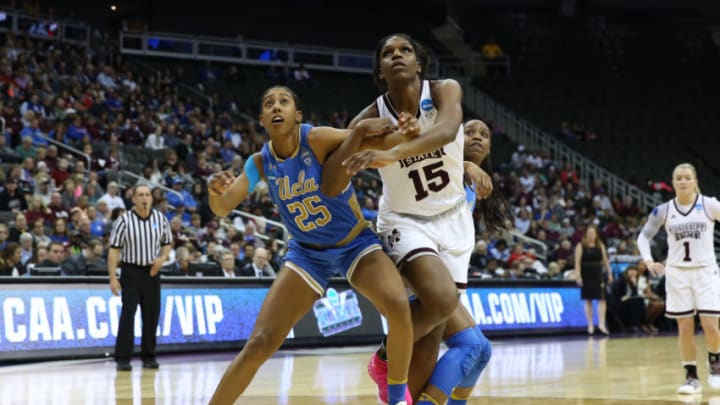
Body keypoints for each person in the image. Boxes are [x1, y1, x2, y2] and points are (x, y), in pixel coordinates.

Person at [206, 86, 417, 405]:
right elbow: (223, 208)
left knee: (399, 305)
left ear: (297, 115)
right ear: (262, 120)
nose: (276, 106)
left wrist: (408, 135)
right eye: (269, 104)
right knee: (261, 341)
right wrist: (214, 192)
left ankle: (398, 398)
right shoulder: (259, 163)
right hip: (306, 255)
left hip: (354, 244)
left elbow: (366, 140)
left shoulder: (316, 138)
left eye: (284, 101)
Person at [341, 33, 494, 403]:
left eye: (405, 50)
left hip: (454, 222)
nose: (397, 55)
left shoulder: (444, 90)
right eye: (388, 52)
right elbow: (338, 161)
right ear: (380, 68)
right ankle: (384, 358)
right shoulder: (370, 118)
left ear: (419, 62)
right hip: (404, 221)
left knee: (430, 335)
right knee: (441, 303)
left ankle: (407, 389)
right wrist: (364, 143)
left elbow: (445, 131)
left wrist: (396, 152)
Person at [637, 162, 720, 395]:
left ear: (695, 181)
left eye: (687, 177)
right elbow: (643, 238)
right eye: (679, 178)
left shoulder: (710, 205)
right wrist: (648, 260)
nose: (683, 181)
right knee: (685, 327)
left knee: (711, 327)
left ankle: (715, 363)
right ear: (673, 183)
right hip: (677, 274)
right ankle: (691, 377)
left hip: (705, 272)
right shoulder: (663, 210)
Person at [108, 184, 173, 371]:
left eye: (147, 195)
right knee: (128, 314)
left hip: (152, 272)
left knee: (151, 315)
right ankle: (123, 357)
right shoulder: (124, 221)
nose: (144, 198)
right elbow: (113, 251)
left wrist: (162, 259)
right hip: (131, 271)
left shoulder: (160, 219)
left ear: (151, 199)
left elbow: (167, 243)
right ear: (134, 199)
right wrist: (113, 278)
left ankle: (149, 356)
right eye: (140, 195)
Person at [574, 225, 613, 336]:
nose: (591, 235)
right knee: (588, 300)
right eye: (589, 233)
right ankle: (590, 325)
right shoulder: (580, 246)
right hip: (586, 273)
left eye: (593, 233)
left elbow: (605, 261)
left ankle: (601, 324)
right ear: (586, 234)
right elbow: (577, 263)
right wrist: (578, 276)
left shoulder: (600, 245)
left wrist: (609, 273)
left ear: (596, 234)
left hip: (598, 274)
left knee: (602, 299)